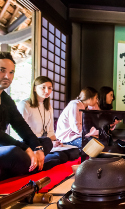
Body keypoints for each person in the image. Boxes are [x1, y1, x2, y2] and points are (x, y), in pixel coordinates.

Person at [0, 52, 50, 181]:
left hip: (4, 147)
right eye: (2, 70)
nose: (7, 76)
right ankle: (36, 165)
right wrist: (26, 148)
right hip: (5, 148)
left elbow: (21, 125)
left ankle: (25, 166)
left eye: (11, 72)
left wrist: (36, 148)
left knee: (45, 142)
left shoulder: (6, 99)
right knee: (14, 152)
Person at [17, 76, 80, 165]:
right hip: (31, 144)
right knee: (60, 156)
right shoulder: (25, 105)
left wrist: (56, 142)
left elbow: (50, 130)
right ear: (34, 88)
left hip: (46, 143)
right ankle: (36, 161)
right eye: (43, 87)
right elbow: (21, 132)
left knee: (75, 152)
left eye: (50, 88)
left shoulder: (48, 107)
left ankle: (42, 161)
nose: (47, 91)